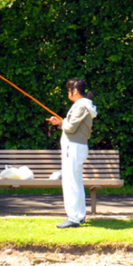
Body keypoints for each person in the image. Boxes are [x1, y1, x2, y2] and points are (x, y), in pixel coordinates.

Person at [47, 79, 97, 228]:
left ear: (74, 91)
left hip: (73, 147)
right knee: (75, 181)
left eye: (69, 90)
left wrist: (63, 123)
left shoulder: (81, 106)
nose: (68, 93)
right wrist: (61, 123)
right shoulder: (82, 106)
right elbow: (70, 125)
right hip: (75, 147)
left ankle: (74, 217)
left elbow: (70, 127)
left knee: (71, 182)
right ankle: (79, 215)